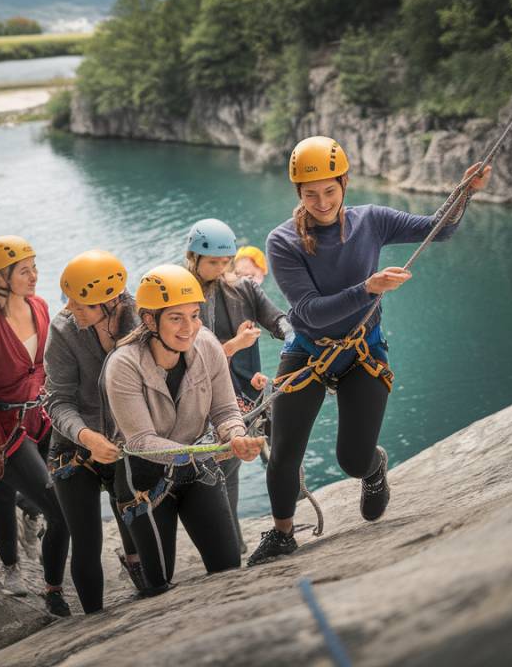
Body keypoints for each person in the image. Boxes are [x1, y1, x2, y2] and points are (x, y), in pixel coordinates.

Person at [247, 135, 491, 566]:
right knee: (284, 450)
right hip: (308, 349)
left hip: (363, 349)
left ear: (344, 184)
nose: (321, 201)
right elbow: (309, 311)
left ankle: (373, 468)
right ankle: (283, 533)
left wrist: (463, 191)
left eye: (329, 190)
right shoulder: (283, 241)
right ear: (298, 195)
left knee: (352, 459)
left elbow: (440, 228)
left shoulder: (371, 221)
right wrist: (368, 288)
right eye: (310, 194)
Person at [105, 264, 265, 591]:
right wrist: (210, 448)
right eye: (176, 318)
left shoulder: (206, 346)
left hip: (195, 468)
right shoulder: (123, 365)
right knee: (158, 580)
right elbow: (140, 441)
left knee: (228, 565)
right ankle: (134, 553)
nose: (188, 328)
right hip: (145, 479)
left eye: (194, 315)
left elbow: (224, 410)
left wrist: (235, 436)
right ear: (149, 320)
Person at [0, 235, 71, 616]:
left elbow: (45, 366)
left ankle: (50, 577)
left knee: (59, 501)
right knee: (51, 507)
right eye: (24, 271)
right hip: (5, 428)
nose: (34, 276)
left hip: (42, 417)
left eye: (34, 267)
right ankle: (17, 572)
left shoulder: (39, 307)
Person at [44, 250, 146, 614]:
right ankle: (95, 622)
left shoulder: (142, 320)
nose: (70, 307)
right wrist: (86, 436)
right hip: (73, 447)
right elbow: (57, 401)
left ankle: (142, 577)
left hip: (125, 442)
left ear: (112, 302)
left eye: (82, 303)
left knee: (136, 529)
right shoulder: (63, 330)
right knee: (87, 540)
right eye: (69, 299)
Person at [184, 219, 291, 551]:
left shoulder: (244, 288)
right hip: (208, 401)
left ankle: (265, 534)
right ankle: (233, 546)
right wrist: (235, 345)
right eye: (211, 262)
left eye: (223, 262)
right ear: (193, 258)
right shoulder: (179, 296)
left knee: (277, 458)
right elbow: (184, 355)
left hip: (248, 394)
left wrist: (293, 337)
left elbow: (276, 319)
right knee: (223, 472)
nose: (218, 269)